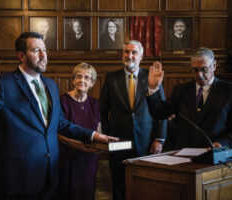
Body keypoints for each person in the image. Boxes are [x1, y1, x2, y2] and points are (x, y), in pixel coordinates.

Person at [0, 32, 117, 200]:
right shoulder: (4, 84)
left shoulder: (51, 85)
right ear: (21, 56)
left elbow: (59, 123)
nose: (43, 55)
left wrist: (93, 134)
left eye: (44, 50)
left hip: (49, 176)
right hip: (18, 180)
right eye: (36, 50)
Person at [100, 40, 167, 200]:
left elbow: (161, 111)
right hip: (117, 141)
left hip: (146, 140)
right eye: (126, 52)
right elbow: (103, 110)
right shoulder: (111, 78)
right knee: (118, 184)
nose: (129, 56)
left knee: (144, 184)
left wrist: (160, 139)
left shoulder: (151, 76)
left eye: (134, 52)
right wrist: (104, 136)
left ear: (141, 56)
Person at [147, 47, 232, 149]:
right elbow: (159, 113)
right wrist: (153, 88)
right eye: (195, 70)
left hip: (215, 155)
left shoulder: (228, 91)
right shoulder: (181, 90)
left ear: (214, 65)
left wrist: (222, 143)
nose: (199, 75)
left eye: (204, 69)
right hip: (185, 155)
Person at [57, 63, 101, 200]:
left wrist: (99, 147)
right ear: (73, 80)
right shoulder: (63, 101)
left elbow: (98, 130)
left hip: (89, 160)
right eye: (79, 76)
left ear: (92, 83)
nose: (82, 80)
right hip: (69, 158)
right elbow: (58, 134)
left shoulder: (95, 104)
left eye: (87, 77)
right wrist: (81, 147)